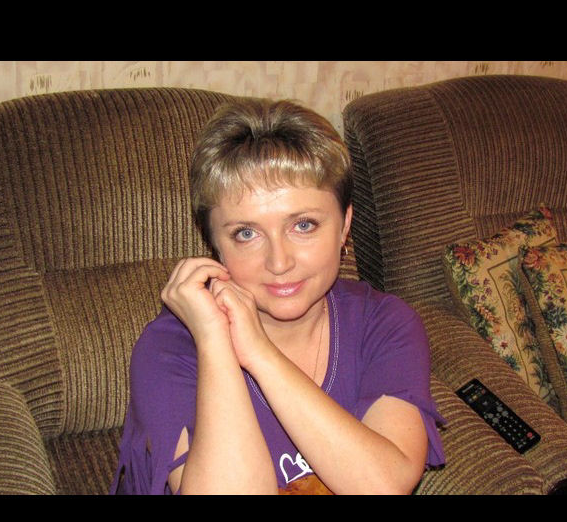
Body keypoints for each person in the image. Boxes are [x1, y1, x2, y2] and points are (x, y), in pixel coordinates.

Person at [110, 98, 445, 495]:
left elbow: (384, 485)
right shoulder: (170, 348)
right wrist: (216, 341)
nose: (279, 262)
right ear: (215, 245)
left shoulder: (386, 325)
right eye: (246, 233)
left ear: (344, 226)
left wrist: (260, 353)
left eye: (303, 225)